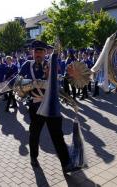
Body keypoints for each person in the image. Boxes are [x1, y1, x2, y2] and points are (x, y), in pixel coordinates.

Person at [19, 40, 75, 173]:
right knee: (34, 133)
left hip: (51, 104)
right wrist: (29, 84)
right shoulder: (27, 65)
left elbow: (60, 80)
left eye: (41, 51)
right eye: (36, 51)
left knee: (57, 135)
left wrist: (69, 76)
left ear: (45, 52)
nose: (38, 54)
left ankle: (66, 163)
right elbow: (18, 80)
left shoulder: (52, 64)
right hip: (36, 105)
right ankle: (33, 157)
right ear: (32, 52)